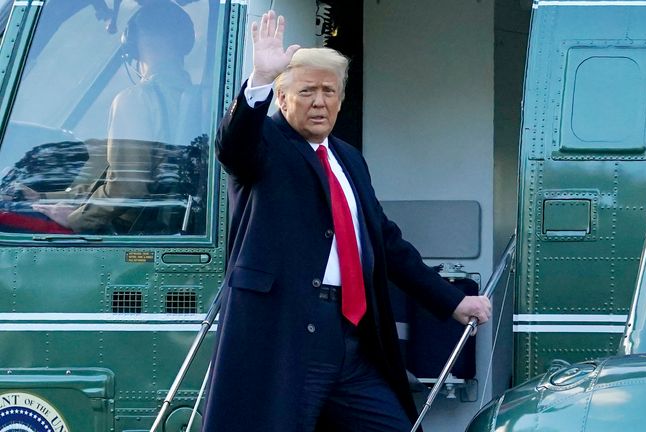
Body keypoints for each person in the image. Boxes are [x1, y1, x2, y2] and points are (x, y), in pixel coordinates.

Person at [202, 10, 492, 432]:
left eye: (329, 91)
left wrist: (452, 302)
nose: (320, 101)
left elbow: (387, 245)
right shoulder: (265, 143)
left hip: (351, 341)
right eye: (307, 91)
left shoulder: (348, 158)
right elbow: (233, 146)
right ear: (282, 98)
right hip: (285, 339)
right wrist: (260, 78)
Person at [29, 0, 196, 233]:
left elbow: (128, 188)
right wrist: (45, 197)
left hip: (131, 232)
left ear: (133, 42)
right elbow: (116, 180)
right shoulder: (198, 100)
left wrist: (77, 219)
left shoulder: (135, 99)